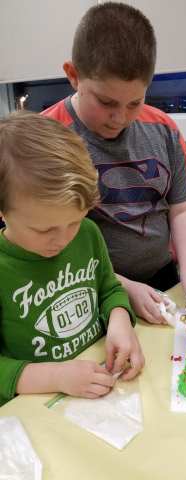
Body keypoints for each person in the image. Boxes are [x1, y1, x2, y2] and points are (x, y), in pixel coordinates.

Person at [42, 2, 186, 325]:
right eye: (106, 102)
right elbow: (46, 239)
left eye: (135, 102)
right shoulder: (47, 140)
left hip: (163, 278)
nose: (120, 118)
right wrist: (121, 285)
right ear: (74, 75)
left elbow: (183, 209)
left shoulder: (164, 130)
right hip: (88, 288)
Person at [0, 110, 144, 407]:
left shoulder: (88, 234)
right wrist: (56, 376)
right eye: (43, 229)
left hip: (99, 390)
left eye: (75, 220)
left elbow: (109, 289)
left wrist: (120, 320)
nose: (63, 239)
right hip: (37, 408)